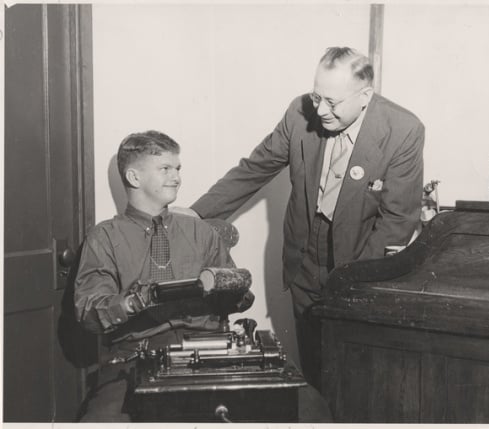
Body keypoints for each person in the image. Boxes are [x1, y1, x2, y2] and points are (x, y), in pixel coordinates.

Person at [187, 47, 425, 391]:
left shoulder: (403, 130)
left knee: (352, 376)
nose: (320, 110)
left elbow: (398, 219)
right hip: (305, 257)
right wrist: (196, 214)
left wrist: (352, 282)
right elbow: (256, 168)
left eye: (332, 102)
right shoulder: (300, 114)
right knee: (314, 370)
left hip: (361, 258)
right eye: (317, 96)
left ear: (365, 96)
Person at [74, 130, 250, 421]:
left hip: (205, 350)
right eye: (165, 168)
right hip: (135, 358)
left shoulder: (200, 231)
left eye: (178, 168)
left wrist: (236, 293)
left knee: (299, 407)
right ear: (134, 177)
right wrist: (130, 303)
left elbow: (236, 297)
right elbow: (87, 312)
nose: (177, 177)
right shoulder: (104, 237)